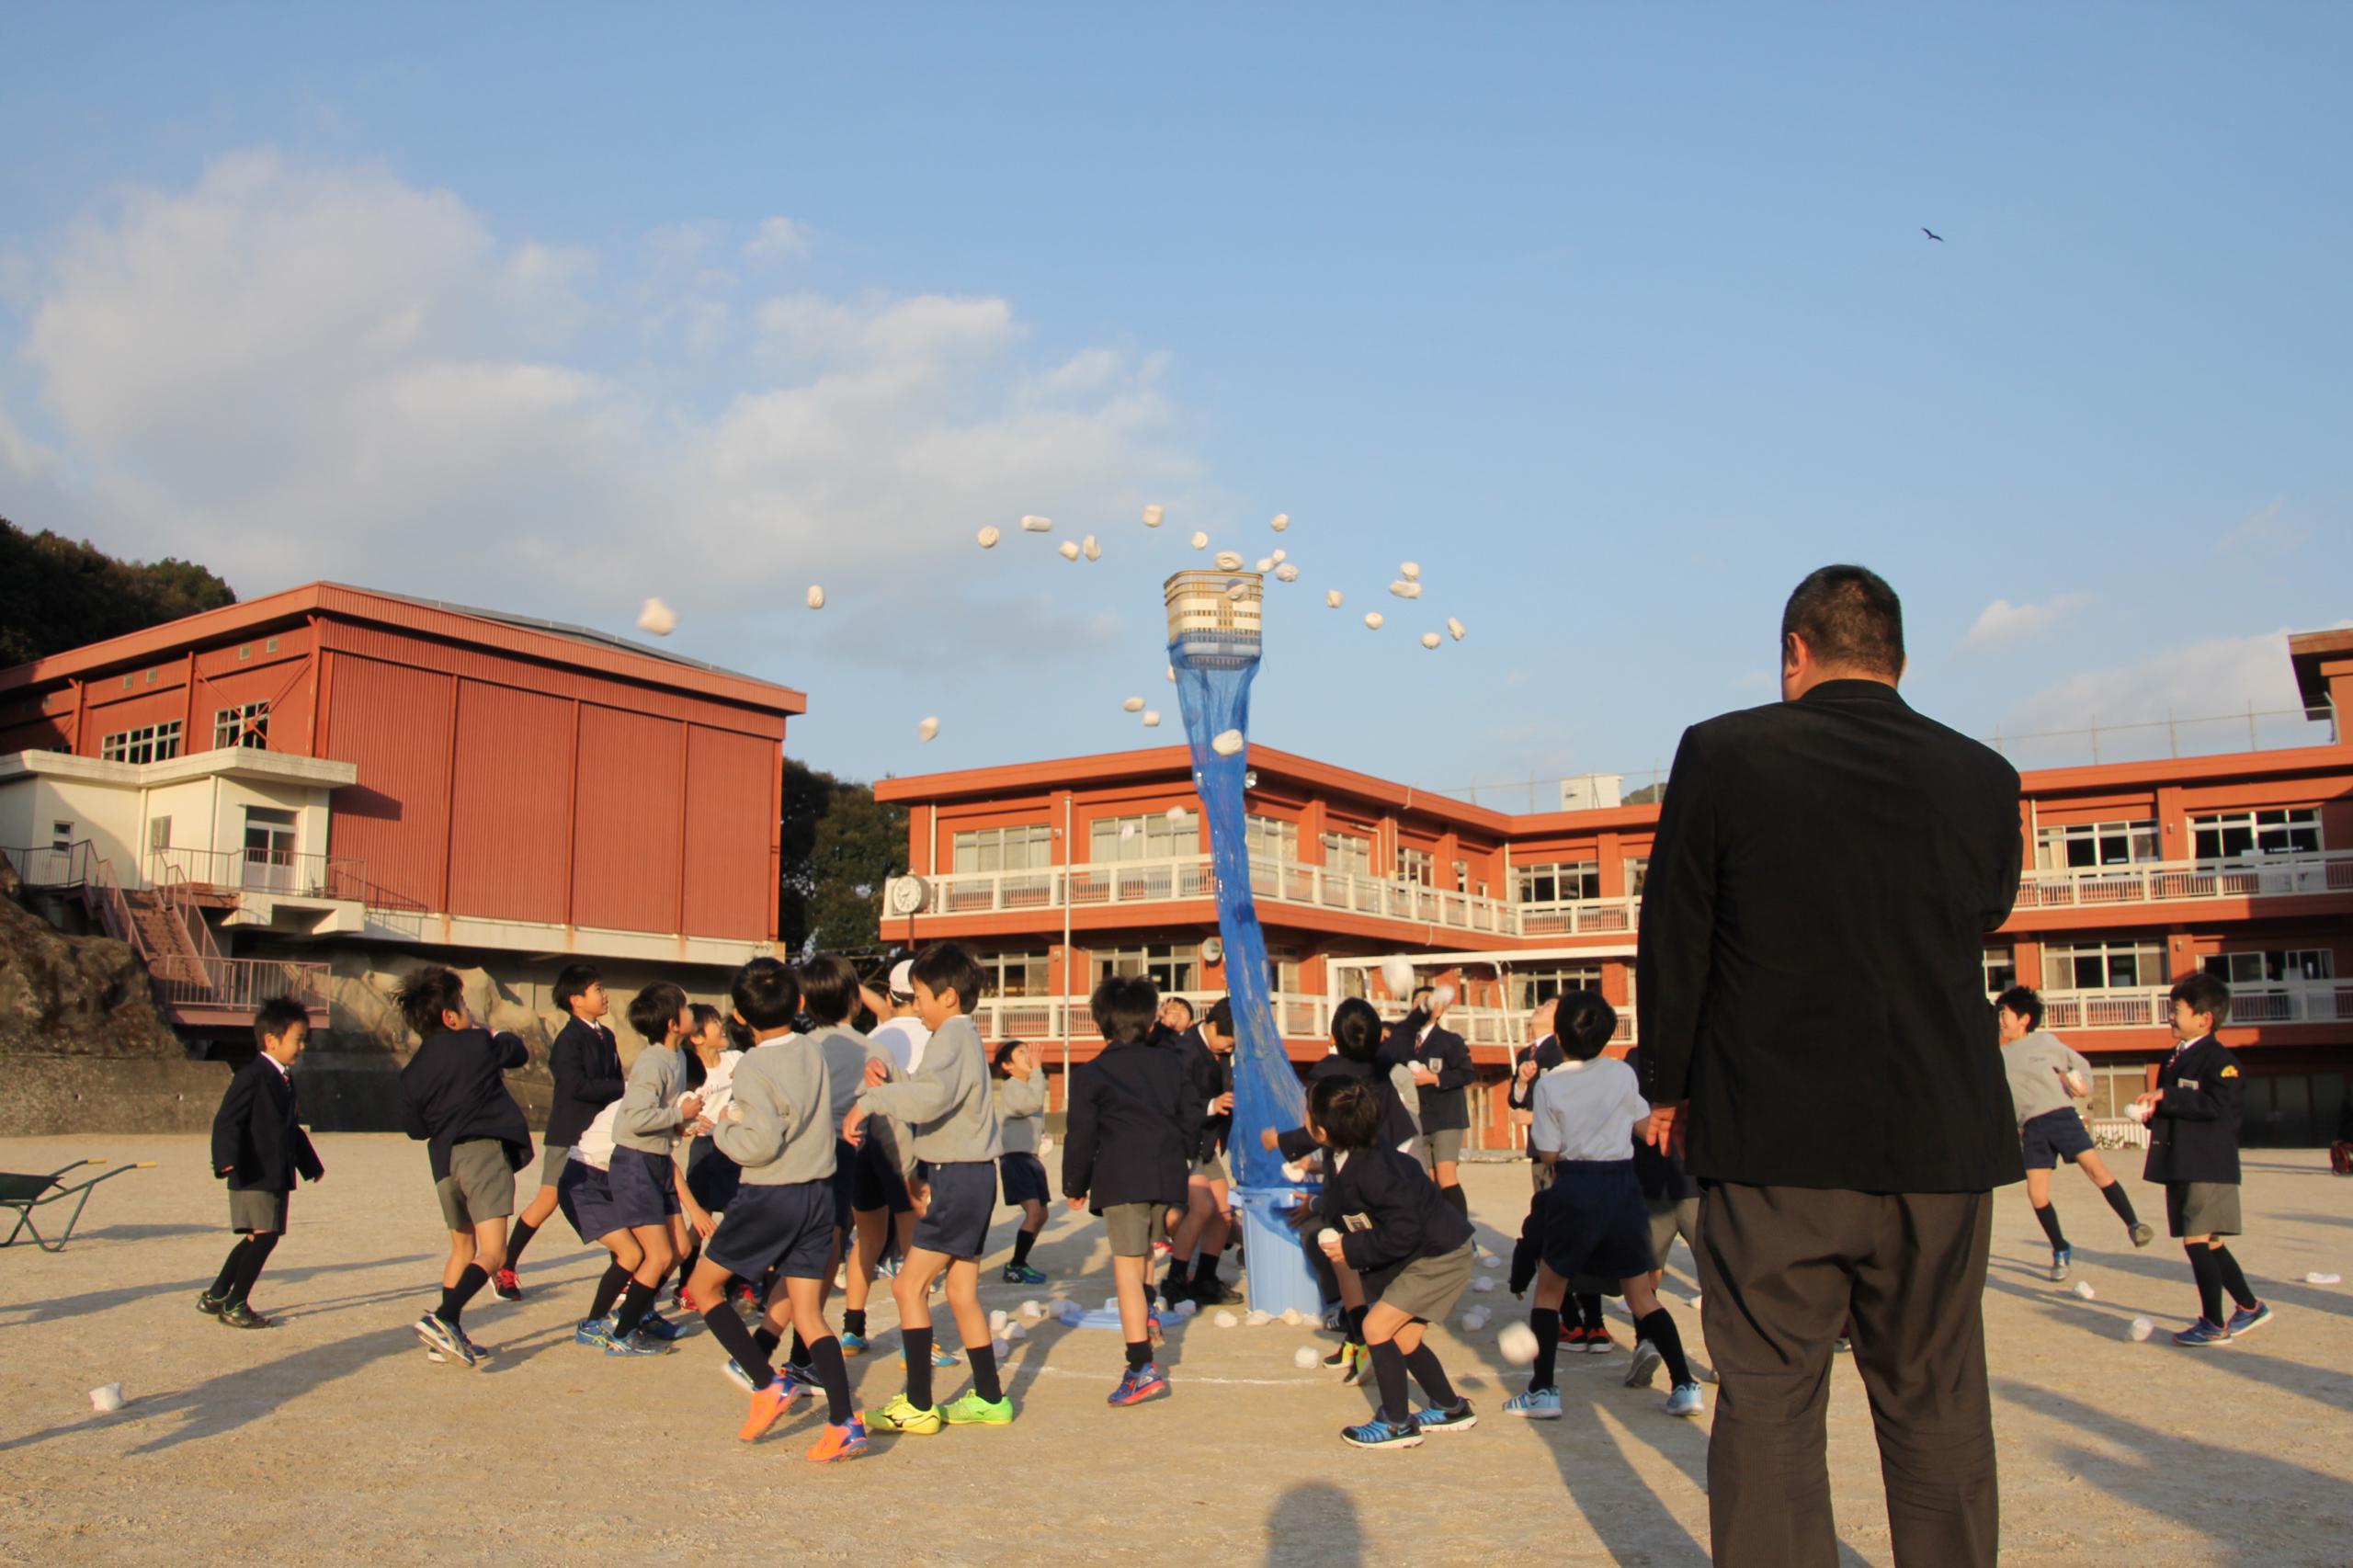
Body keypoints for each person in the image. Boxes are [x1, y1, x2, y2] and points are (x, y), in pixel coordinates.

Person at [1637, 564, 2024, 1567]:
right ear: (1897, 657)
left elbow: (1675, 937)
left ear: (1794, 651)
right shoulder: (1982, 774)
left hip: (1773, 1133)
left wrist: (1666, 1087)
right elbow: (1983, 913)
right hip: (1939, 1133)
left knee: (1768, 1391)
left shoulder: (1723, 752)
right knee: (1935, 1392)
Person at [686, 958, 866, 1462]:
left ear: (740, 1017)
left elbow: (759, 1143)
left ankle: (767, 1382)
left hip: (772, 1192)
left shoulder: (754, 1065)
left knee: (702, 1287)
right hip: (818, 1193)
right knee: (809, 1314)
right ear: (801, 1003)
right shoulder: (813, 1049)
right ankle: (843, 1423)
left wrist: (721, 1127)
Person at [1506, 989, 1702, 1422]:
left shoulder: (1551, 1082)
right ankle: (1685, 1384)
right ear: (1609, 1035)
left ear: (1560, 1035)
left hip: (1577, 1184)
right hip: (1623, 1185)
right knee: (1642, 1295)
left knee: (1551, 1290)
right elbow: (1643, 1126)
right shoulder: (1620, 1074)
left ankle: (1543, 1390)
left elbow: (1550, 1154)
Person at [847, 942, 1013, 1433]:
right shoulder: (961, 1036)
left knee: (907, 1284)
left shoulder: (953, 1035)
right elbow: (930, 1087)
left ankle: (917, 1403)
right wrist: (892, 1076)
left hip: (959, 1175)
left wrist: (872, 1101)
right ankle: (988, 1397)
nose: (915, 1007)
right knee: (960, 1290)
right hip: (972, 1174)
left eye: (919, 996)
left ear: (949, 997)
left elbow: (931, 1098)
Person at [1311, 1078, 1480, 1450]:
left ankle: (1396, 1423)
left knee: (1375, 1328)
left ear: (1322, 1131)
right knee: (1404, 1337)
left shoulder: (1376, 1171)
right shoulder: (1354, 1155)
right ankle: (1450, 1407)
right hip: (1430, 1250)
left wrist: (1350, 1249)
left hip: (1440, 1255)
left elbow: (1404, 1232)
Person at [1063, 974, 1205, 1407]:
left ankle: (1140, 1366)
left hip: (1121, 1177)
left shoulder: (1093, 1072)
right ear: (1148, 1021)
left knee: (1126, 1266)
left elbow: (1081, 1133)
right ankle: (1151, 1316)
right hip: (1166, 1173)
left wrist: (1075, 1182)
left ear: (1101, 1023)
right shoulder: (1171, 1063)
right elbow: (1192, 1114)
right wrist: (1182, 1153)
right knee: (1145, 1252)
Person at [396, 965, 534, 1369]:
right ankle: (444, 1317)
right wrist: (492, 1033)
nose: (468, 1011)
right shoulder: (477, 1042)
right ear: (449, 1017)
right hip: (482, 1154)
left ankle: (444, 1336)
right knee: (494, 1252)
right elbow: (518, 1052)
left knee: (462, 1247)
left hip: (443, 1163)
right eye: (462, 1004)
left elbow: (414, 1129)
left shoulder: (411, 1072)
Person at [2137, 971, 2272, 1346]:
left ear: (2204, 1018)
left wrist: (2168, 1097)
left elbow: (2220, 1106)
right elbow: (2177, 1106)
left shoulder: (2220, 1061)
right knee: (2209, 1242)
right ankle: (2249, 1307)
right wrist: (2154, 1114)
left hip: (2208, 1165)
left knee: (2197, 1240)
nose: (2170, 1017)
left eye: (2176, 1010)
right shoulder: (2174, 1057)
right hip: (2183, 1161)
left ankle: (2214, 1324)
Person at [1996, 984, 2153, 1278]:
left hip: (2061, 1117)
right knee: (2037, 1194)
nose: (2001, 1019)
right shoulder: (1999, 1057)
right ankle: (2060, 1248)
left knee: (2096, 1170)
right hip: (2031, 1128)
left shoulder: (2046, 1042)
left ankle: (2133, 1224)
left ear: (2024, 1018)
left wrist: (2081, 1085)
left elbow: (2079, 1067)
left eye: (2005, 1013)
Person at [498, 963, 619, 1301]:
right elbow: (577, 1084)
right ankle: (506, 1265)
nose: (604, 995)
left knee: (612, 1197)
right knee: (548, 1199)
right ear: (576, 1000)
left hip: (603, 1134)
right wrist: (621, 1087)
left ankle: (623, 1270)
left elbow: (610, 1080)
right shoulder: (568, 1038)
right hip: (570, 1132)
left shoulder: (606, 1035)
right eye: (597, 989)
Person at [202, 997, 324, 1329]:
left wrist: (310, 1164)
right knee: (265, 1236)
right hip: (253, 1170)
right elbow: (227, 1121)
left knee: (259, 1236)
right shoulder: (252, 1075)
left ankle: (216, 1295)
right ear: (271, 1040)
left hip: (275, 1172)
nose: (302, 1047)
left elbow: (289, 1128)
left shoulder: (284, 1079)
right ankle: (236, 1304)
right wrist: (225, 1160)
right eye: (297, 1039)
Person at [602, 981, 704, 1354]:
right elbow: (635, 1117)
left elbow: (658, 1118)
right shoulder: (653, 1061)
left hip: (658, 1161)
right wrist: (681, 1113)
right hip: (635, 1163)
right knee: (658, 1255)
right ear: (673, 1023)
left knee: (678, 1247)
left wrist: (680, 1125)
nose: (692, 1012)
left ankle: (640, 1314)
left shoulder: (676, 1057)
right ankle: (622, 1333)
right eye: (686, 1007)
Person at [1163, 997, 1240, 1308]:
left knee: (1224, 1212)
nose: (1230, 1050)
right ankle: (1175, 1280)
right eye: (1228, 1044)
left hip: (1205, 1144)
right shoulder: (1183, 1052)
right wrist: (1212, 1105)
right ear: (1211, 1026)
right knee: (1203, 1207)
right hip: (1181, 1143)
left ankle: (1206, 1279)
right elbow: (1176, 1104)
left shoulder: (1221, 1050)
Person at [672, 1002, 739, 1305]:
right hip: (704, 1148)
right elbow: (678, 1105)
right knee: (701, 1220)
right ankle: (685, 1284)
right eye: (714, 1023)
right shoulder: (690, 1070)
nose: (721, 1026)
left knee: (737, 1216)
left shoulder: (736, 1059)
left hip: (733, 1148)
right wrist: (691, 1122)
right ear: (697, 1037)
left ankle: (740, 1284)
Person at [1403, 984, 1475, 1211]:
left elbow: (1466, 1073)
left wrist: (1433, 1078)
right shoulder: (1403, 1042)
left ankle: (1461, 1234)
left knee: (1446, 1177)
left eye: (1427, 1002)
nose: (1420, 1007)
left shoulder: (1450, 1040)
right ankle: (1438, 1230)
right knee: (1427, 1178)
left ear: (1439, 1009)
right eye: (1416, 1003)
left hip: (1446, 1117)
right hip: (1416, 1118)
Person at [994, 1040, 1051, 1285]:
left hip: (1030, 1157)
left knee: (1043, 1214)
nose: (1028, 1056)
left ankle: (1021, 1262)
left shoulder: (1028, 1085)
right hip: (1015, 1158)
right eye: (1021, 1053)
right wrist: (1038, 1069)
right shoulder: (1011, 1086)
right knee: (1034, 1211)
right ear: (1007, 1066)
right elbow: (1030, 1104)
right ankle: (1015, 1265)